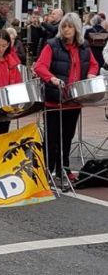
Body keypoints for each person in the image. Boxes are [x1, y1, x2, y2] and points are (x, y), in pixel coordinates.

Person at [34, 13, 99, 183]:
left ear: (76, 28)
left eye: (69, 26)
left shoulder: (84, 46)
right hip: (54, 99)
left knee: (67, 137)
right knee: (52, 137)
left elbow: (93, 64)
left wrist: (91, 75)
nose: (66, 30)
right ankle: (47, 170)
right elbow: (39, 66)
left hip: (74, 100)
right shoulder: (52, 45)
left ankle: (64, 168)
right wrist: (52, 78)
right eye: (64, 26)